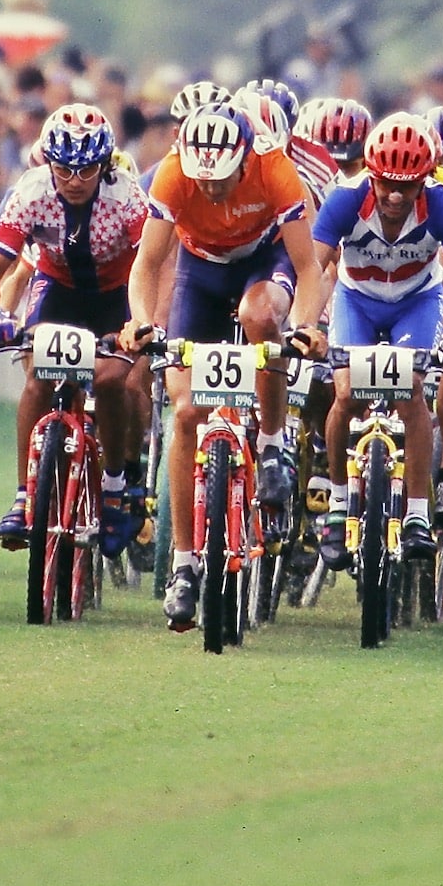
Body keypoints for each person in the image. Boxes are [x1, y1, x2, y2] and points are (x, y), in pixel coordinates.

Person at [120, 102, 328, 631]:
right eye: (201, 179)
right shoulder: (172, 175)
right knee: (187, 412)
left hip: (265, 261)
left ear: (244, 159)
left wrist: (304, 326)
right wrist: (142, 321)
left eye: (221, 179)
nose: (210, 189)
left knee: (259, 317)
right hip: (202, 271)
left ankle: (273, 441)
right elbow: (146, 265)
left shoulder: (276, 170)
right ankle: (185, 566)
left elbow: (308, 268)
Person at [0, 104, 153, 555]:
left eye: (87, 169)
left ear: (104, 165)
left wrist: (143, 322)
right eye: (63, 169)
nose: (74, 180)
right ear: (47, 161)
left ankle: (112, 485)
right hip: (59, 289)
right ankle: (23, 495)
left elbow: (157, 262)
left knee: (111, 380)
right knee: (38, 376)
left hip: (119, 293)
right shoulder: (30, 191)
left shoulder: (126, 195)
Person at [308, 112, 443, 562]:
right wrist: (305, 325)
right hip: (356, 299)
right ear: (371, 174)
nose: (395, 195)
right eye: (385, 183)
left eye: (407, 185)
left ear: (427, 178)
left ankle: (418, 512)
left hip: (416, 301)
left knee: (412, 393)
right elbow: (313, 269)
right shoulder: (345, 199)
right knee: (344, 394)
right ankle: (340, 501)